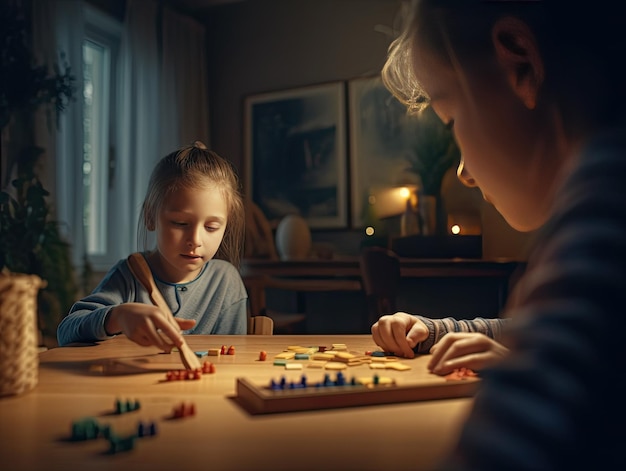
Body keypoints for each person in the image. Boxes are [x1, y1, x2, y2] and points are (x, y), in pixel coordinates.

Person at [371, 0, 626, 469]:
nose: (463, 173)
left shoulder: (608, 207)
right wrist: (439, 330)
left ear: (521, 63)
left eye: (451, 121)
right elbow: (538, 333)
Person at [57, 141, 248, 349]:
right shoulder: (129, 275)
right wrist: (117, 317)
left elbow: (230, 357)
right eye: (180, 223)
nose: (195, 240)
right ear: (150, 216)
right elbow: (66, 332)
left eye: (211, 227)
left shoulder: (226, 281)